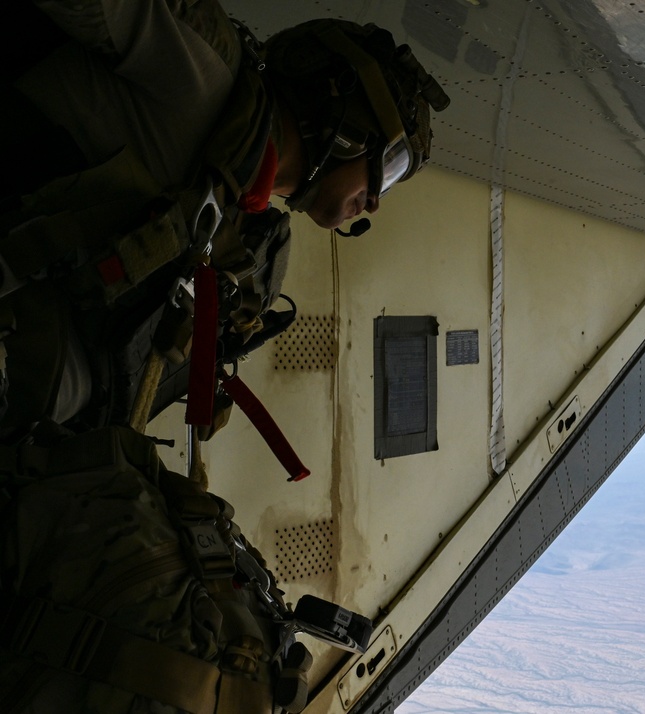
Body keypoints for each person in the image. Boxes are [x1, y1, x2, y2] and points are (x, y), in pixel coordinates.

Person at [0, 2, 448, 711]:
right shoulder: (205, 87)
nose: (374, 204)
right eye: (387, 168)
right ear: (346, 119)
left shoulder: (249, 237)